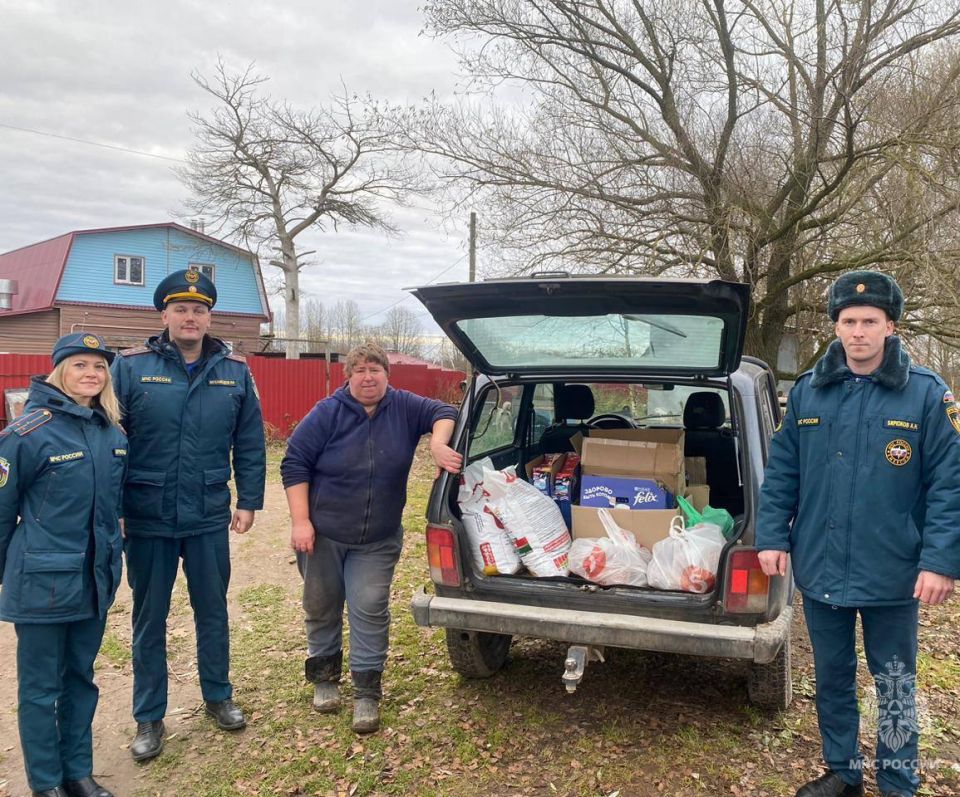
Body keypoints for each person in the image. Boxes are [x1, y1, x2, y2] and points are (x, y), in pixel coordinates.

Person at [756, 271, 960, 797]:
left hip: (894, 570)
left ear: (890, 327)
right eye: (849, 321)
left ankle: (897, 782)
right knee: (833, 676)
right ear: (836, 326)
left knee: (893, 682)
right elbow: (782, 472)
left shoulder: (926, 396)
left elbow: (950, 484)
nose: (858, 331)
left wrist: (940, 561)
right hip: (821, 564)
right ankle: (844, 773)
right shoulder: (809, 392)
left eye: (870, 321)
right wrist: (772, 536)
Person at [111, 268, 266, 762]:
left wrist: (248, 500)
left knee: (212, 610)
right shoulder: (130, 368)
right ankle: (148, 717)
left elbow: (249, 440)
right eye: (180, 309)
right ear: (164, 315)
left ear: (209, 317)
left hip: (206, 513)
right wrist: (114, 508)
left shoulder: (234, 371)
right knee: (149, 618)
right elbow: (110, 442)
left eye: (199, 309)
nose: (190, 317)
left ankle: (218, 696)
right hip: (147, 515)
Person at [280, 342, 462, 733]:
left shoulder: (404, 406)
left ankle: (366, 691)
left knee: (369, 606)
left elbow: (446, 411)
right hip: (324, 535)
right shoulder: (327, 413)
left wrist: (436, 443)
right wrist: (301, 521)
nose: (368, 377)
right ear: (348, 376)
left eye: (375, 370)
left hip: (377, 538)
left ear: (386, 375)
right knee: (322, 605)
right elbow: (294, 464)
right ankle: (325, 678)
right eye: (360, 370)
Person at [0, 333, 127, 797]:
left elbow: (113, 509)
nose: (91, 374)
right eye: (80, 364)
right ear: (59, 372)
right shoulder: (25, 435)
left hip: (93, 581)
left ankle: (77, 773)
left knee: (80, 679)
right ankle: (46, 783)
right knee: (40, 689)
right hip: (41, 583)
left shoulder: (113, 434)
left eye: (99, 366)